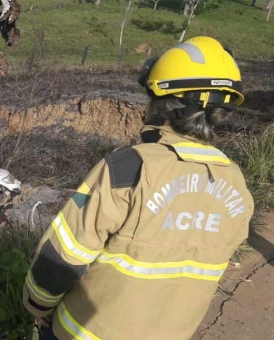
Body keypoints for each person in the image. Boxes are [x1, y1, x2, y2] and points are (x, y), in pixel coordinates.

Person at [23, 36, 254, 340]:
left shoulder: (127, 168)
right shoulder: (236, 183)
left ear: (163, 103)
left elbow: (62, 258)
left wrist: (37, 306)